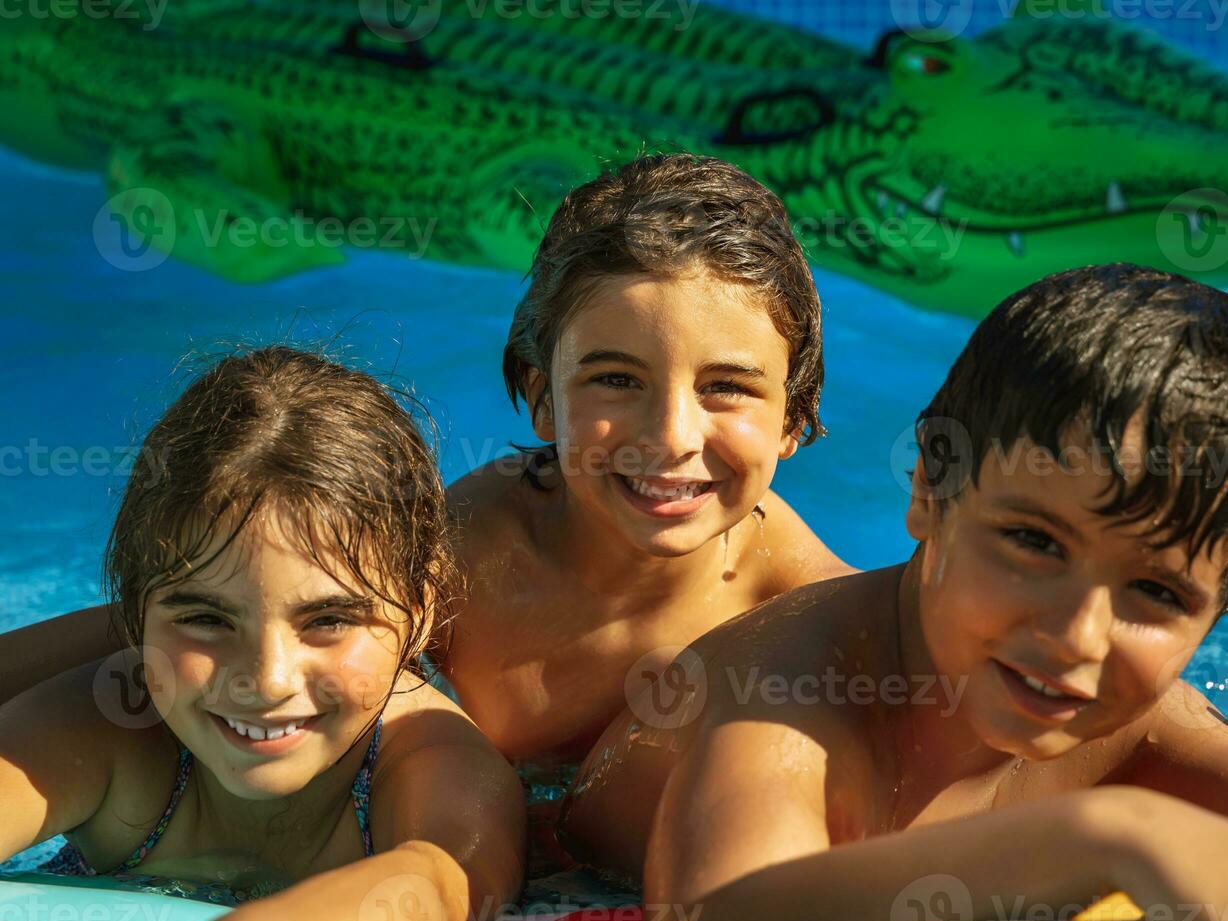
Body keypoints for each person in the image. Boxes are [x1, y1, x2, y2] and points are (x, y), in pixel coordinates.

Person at [564, 264, 1228, 921]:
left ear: (1221, 607)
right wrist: (1107, 838)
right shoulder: (786, 695)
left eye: (1159, 596)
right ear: (929, 487)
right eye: (1033, 542)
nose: (1077, 636)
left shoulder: (1139, 730)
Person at [0, 155, 851, 775]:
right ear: (540, 394)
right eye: (616, 380)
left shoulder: (814, 615)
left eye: (728, 388)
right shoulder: (470, 548)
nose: (669, 434)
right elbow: (175, 622)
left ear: (796, 421)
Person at [0, 347, 526, 921]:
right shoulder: (116, 726)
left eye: (328, 620)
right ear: (137, 610)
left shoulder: (431, 759)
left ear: (421, 604)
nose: (267, 680)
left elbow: (442, 889)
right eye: (205, 619)